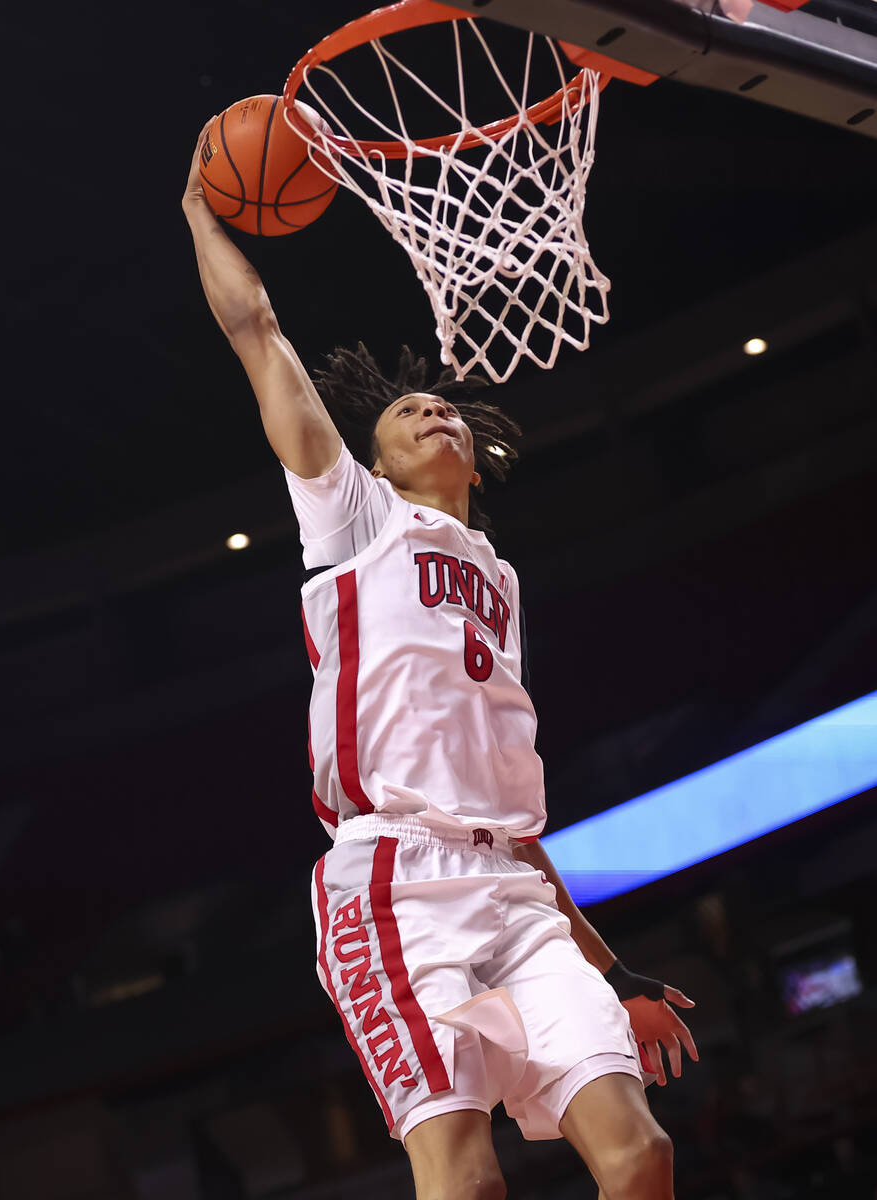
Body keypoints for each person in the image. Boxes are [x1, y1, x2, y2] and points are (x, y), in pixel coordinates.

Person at [183, 117, 699, 1200]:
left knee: (643, 1154)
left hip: (511, 887)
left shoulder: (496, 581)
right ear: (369, 459)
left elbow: (502, 813)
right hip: (393, 886)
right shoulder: (355, 520)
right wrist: (199, 211)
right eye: (411, 411)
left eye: (447, 408)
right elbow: (257, 332)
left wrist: (614, 966)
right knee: (466, 1184)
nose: (436, 413)